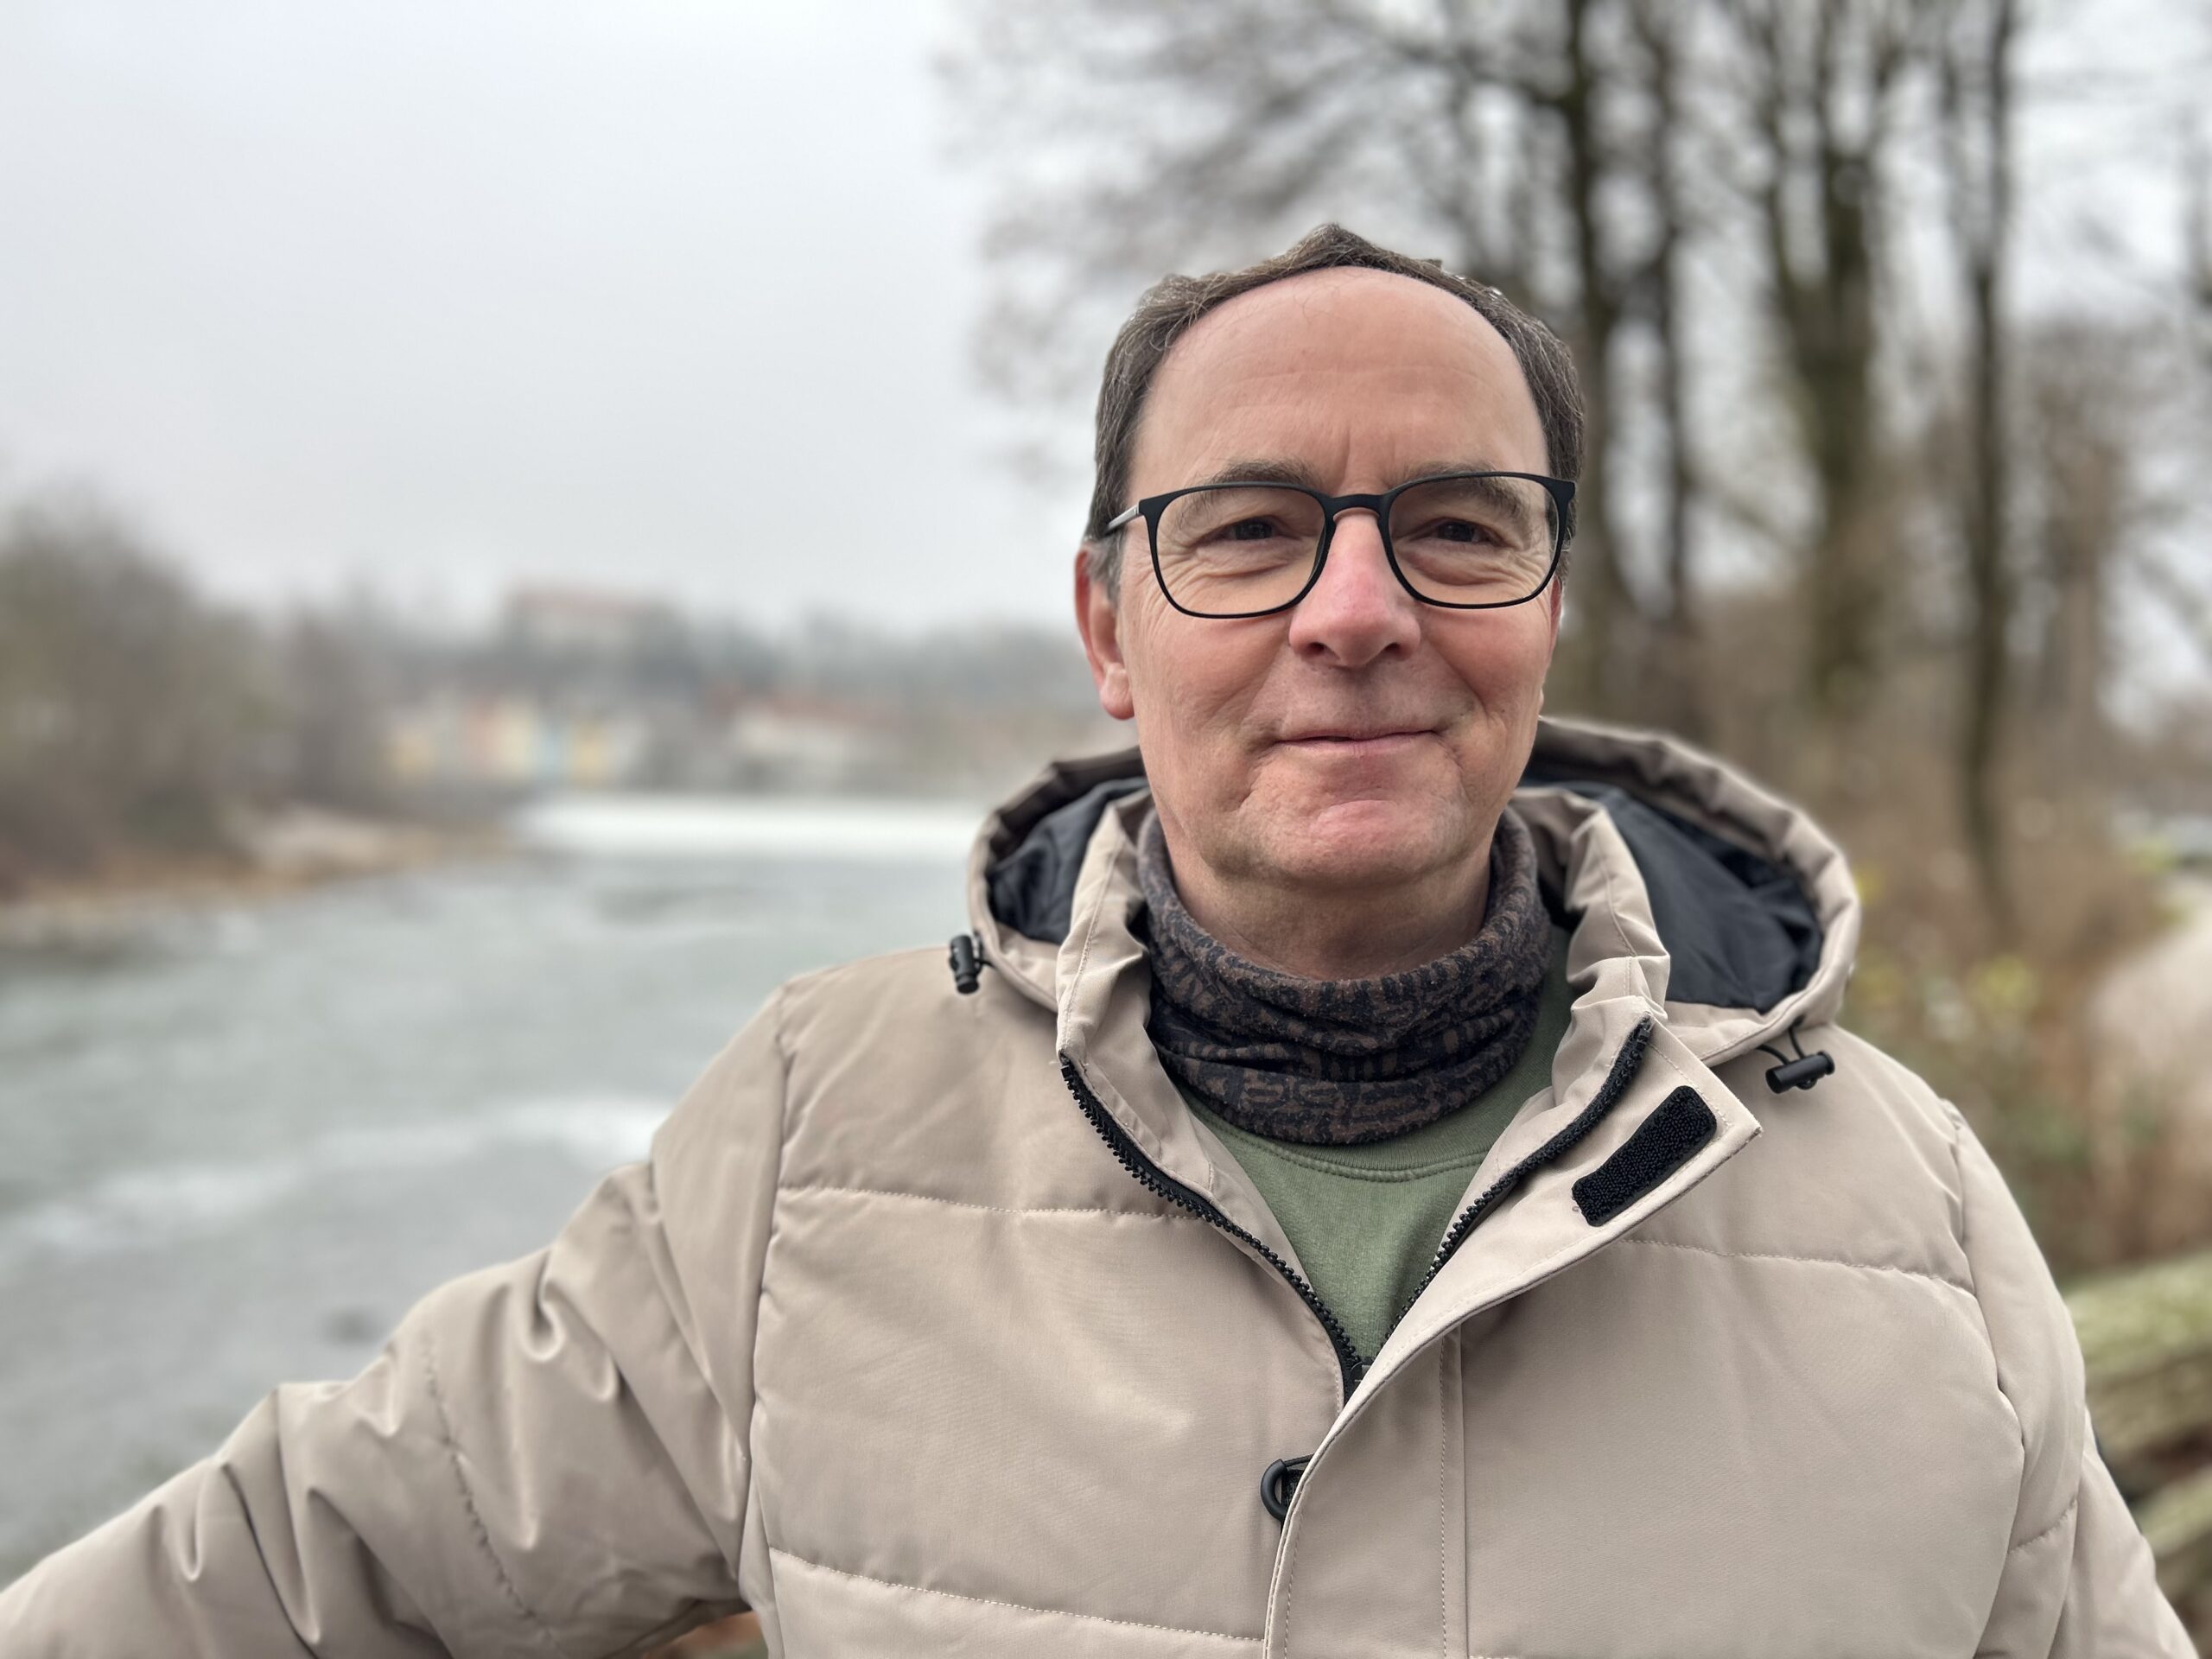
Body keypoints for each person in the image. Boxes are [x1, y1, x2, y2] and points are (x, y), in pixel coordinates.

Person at [2, 226, 2190, 1657]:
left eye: (1454, 527)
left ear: (1545, 608)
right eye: (1246, 531)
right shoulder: (811, 1142)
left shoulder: (1900, 1201)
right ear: (1106, 628)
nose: (1355, 610)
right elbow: (300, 1565)